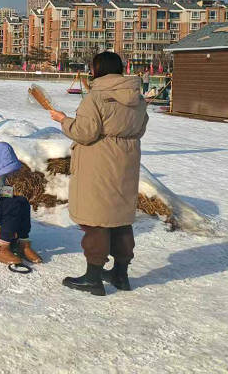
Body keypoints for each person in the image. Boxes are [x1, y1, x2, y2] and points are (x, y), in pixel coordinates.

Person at [48, 51, 148, 295]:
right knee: (120, 219)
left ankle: (93, 278)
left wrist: (63, 120)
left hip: (99, 163)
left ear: (98, 69)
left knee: (97, 220)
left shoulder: (96, 97)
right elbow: (141, 128)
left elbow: (84, 133)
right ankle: (120, 274)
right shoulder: (137, 97)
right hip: (126, 162)